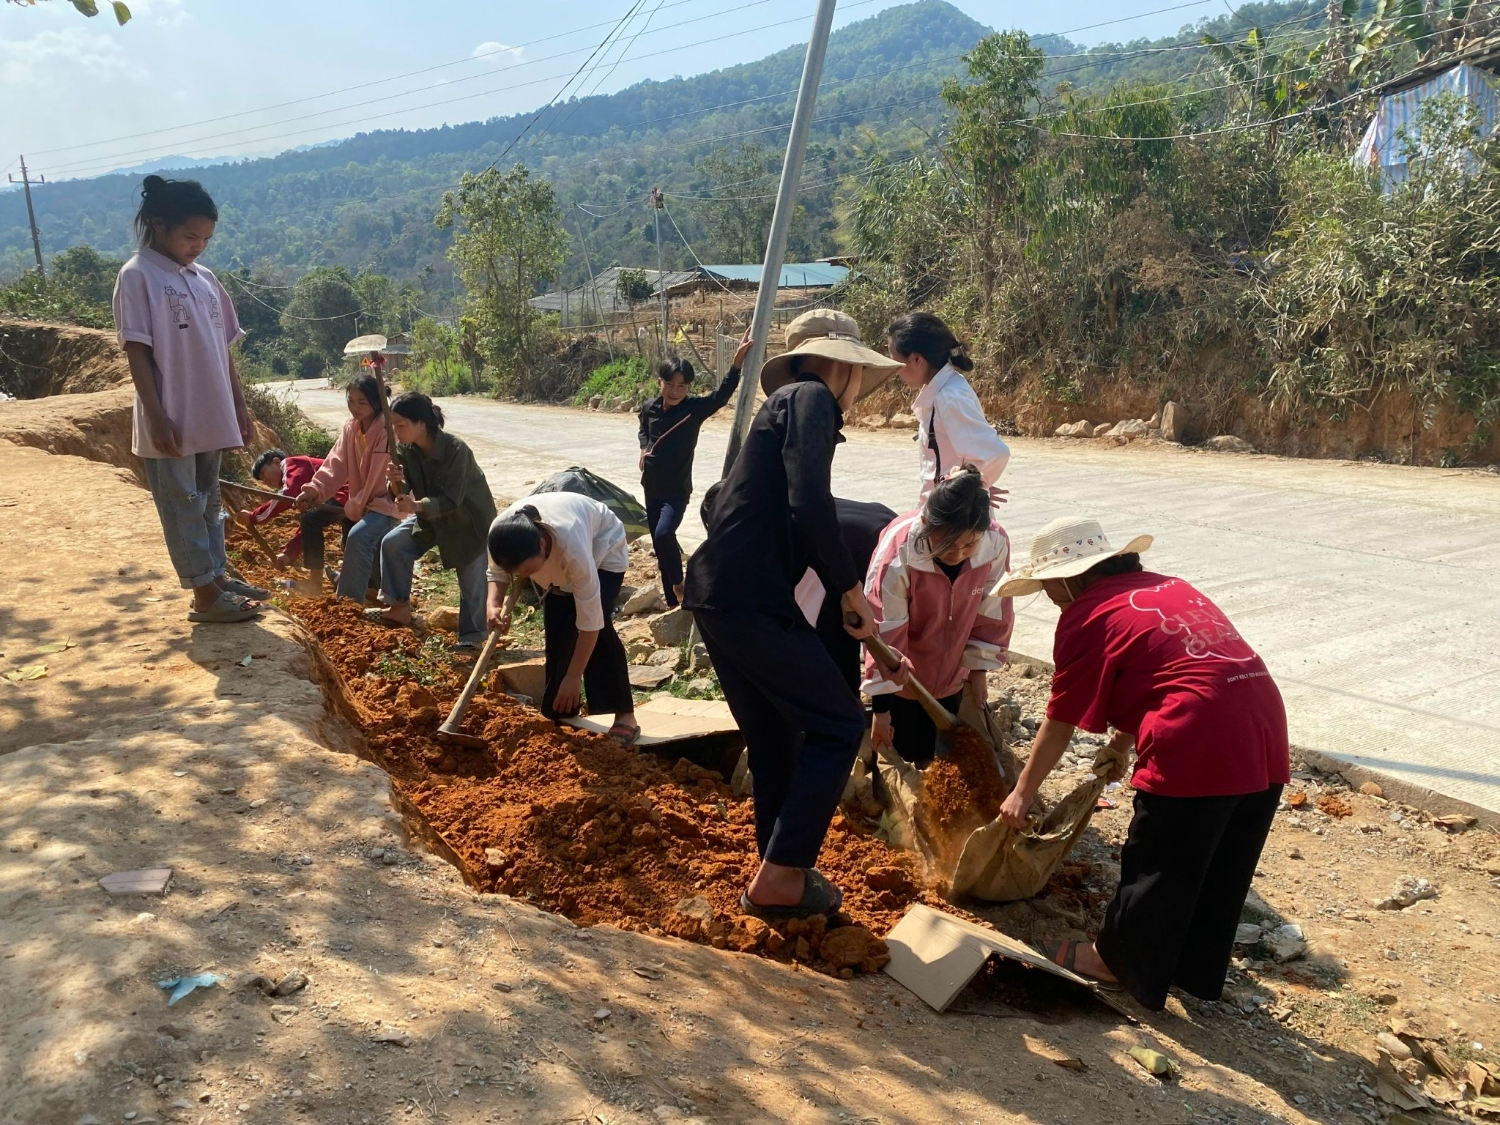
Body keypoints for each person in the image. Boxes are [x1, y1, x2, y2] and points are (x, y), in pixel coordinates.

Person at [995, 517, 1290, 1011]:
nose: (1047, 595)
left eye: (1046, 585)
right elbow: (1171, 667)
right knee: (1220, 857)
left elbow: (1061, 716)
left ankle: (1113, 961)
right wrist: (1124, 741)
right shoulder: (1167, 586)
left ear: (1069, 578)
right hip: (1261, 719)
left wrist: (1023, 791)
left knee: (1160, 855)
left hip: (1197, 732)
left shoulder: (1087, 612)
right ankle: (1189, 966)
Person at [684, 309, 906, 921]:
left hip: (718, 593)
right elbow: (812, 506)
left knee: (778, 737)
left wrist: (847, 604)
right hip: (748, 596)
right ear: (841, 366)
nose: (858, 389)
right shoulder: (809, 397)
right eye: (858, 374)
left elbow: (793, 518)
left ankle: (779, 873)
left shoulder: (784, 409)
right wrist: (852, 590)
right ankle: (781, 877)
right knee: (837, 724)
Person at [113, 175, 267, 624]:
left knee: (208, 500)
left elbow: (223, 351)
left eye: (206, 238)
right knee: (182, 502)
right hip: (173, 417)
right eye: (190, 236)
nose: (199, 246)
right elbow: (136, 351)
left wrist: (239, 407)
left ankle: (216, 577)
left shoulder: (204, 279)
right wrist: (156, 416)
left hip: (211, 412)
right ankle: (202, 594)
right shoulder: (138, 275)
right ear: (159, 225)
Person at [863, 466, 1014, 768]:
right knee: (905, 750)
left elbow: (992, 611)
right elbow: (885, 630)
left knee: (942, 756)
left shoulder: (994, 544)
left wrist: (978, 671)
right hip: (907, 675)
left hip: (952, 673)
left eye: (969, 544)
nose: (958, 554)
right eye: (947, 545)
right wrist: (881, 711)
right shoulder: (900, 550)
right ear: (926, 524)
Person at [486, 493, 638, 743]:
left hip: (602, 552)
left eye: (527, 570)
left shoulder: (571, 542)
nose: (523, 576)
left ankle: (623, 715)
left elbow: (590, 624)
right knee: (558, 631)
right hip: (557, 572)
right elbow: (496, 573)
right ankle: (561, 711)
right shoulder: (501, 533)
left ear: (543, 545)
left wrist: (573, 676)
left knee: (599, 630)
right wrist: (493, 605)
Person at [637, 329, 750, 608]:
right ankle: (674, 603)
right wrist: (643, 448)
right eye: (670, 384)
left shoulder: (693, 410)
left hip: (676, 491)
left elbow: (721, 396)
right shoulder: (649, 407)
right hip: (650, 487)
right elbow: (643, 428)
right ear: (659, 382)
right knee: (661, 545)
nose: (676, 391)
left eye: (682, 386)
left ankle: (678, 584)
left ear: (688, 388)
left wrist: (736, 365)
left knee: (664, 534)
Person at [375, 392, 497, 649]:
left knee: (472, 581)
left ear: (421, 423)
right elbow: (401, 489)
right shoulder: (405, 450)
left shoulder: (456, 450)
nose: (396, 431)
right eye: (394, 425)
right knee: (394, 543)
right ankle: (398, 607)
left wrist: (416, 505)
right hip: (431, 518)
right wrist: (395, 481)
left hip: (468, 521)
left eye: (401, 425)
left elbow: (453, 499)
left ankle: (473, 638)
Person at [887, 311, 1009, 503]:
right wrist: (975, 487)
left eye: (897, 361)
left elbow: (995, 453)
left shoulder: (949, 397)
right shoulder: (944, 390)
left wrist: (975, 490)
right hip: (944, 516)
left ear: (917, 360)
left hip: (950, 523)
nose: (895, 370)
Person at [295, 373, 397, 601]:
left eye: (362, 402)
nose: (355, 407)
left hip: (388, 504)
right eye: (351, 401)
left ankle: (347, 604)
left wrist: (357, 504)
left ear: (377, 401)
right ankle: (376, 593)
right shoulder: (351, 429)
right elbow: (335, 463)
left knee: (359, 537)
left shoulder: (387, 431)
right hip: (362, 502)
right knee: (358, 541)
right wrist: (313, 490)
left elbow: (381, 476)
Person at [238, 448, 345, 570]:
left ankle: (315, 581)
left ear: (277, 462)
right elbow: (306, 526)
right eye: (262, 480)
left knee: (310, 519)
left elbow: (286, 495)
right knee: (312, 520)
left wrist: (253, 517)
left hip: (346, 492)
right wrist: (288, 554)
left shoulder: (289, 464)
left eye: (263, 473)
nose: (265, 481)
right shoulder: (304, 488)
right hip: (348, 495)